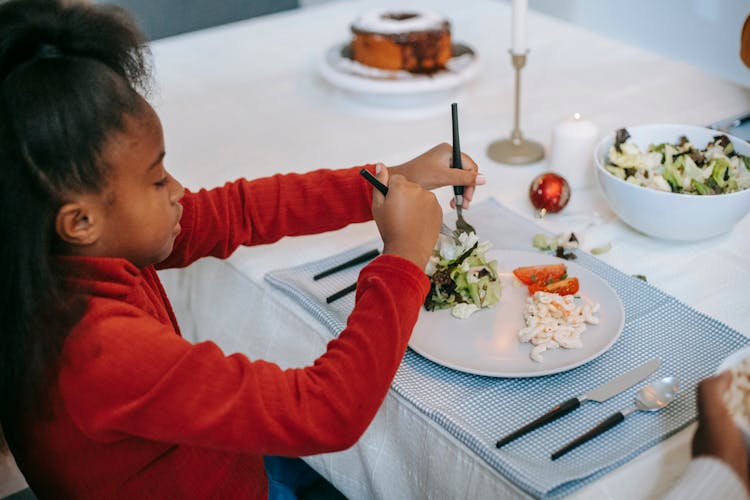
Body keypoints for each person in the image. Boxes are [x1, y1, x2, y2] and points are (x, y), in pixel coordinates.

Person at [0, 0, 483, 498]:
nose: (177, 191)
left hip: (219, 462)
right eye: (156, 179)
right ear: (79, 220)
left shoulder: (50, 253)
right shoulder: (99, 351)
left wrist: (387, 182)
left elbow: (235, 211)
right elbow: (326, 413)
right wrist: (402, 258)